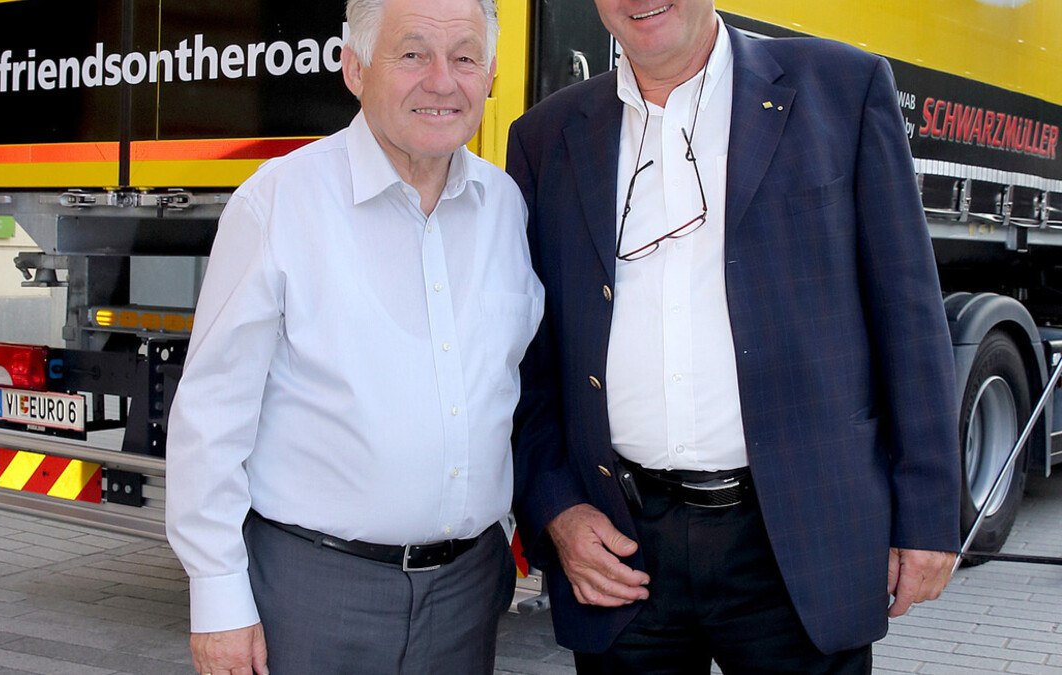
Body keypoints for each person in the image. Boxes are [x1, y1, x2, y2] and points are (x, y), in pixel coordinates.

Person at [506, 1, 960, 671]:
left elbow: (909, 314)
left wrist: (926, 516)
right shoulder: (546, 136)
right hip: (622, 547)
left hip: (794, 542)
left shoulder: (840, 88)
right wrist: (557, 508)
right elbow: (530, 358)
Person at [165, 0, 543, 672]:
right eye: (412, 54)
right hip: (314, 592)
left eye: (464, 58)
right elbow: (212, 414)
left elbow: (515, 386)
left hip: (467, 593)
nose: (441, 81)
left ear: (488, 76)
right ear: (354, 68)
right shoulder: (278, 202)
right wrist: (218, 597)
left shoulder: (505, 209)